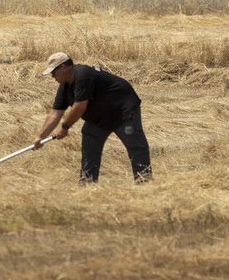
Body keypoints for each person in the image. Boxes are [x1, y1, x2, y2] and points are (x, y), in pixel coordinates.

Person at [32, 52, 151, 185]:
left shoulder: (83, 75)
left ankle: (144, 184)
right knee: (90, 149)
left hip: (123, 111)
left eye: (53, 72)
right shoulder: (64, 87)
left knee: (136, 147)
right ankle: (87, 186)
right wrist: (40, 137)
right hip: (99, 118)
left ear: (64, 67)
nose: (52, 76)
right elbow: (55, 113)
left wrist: (65, 126)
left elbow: (80, 106)